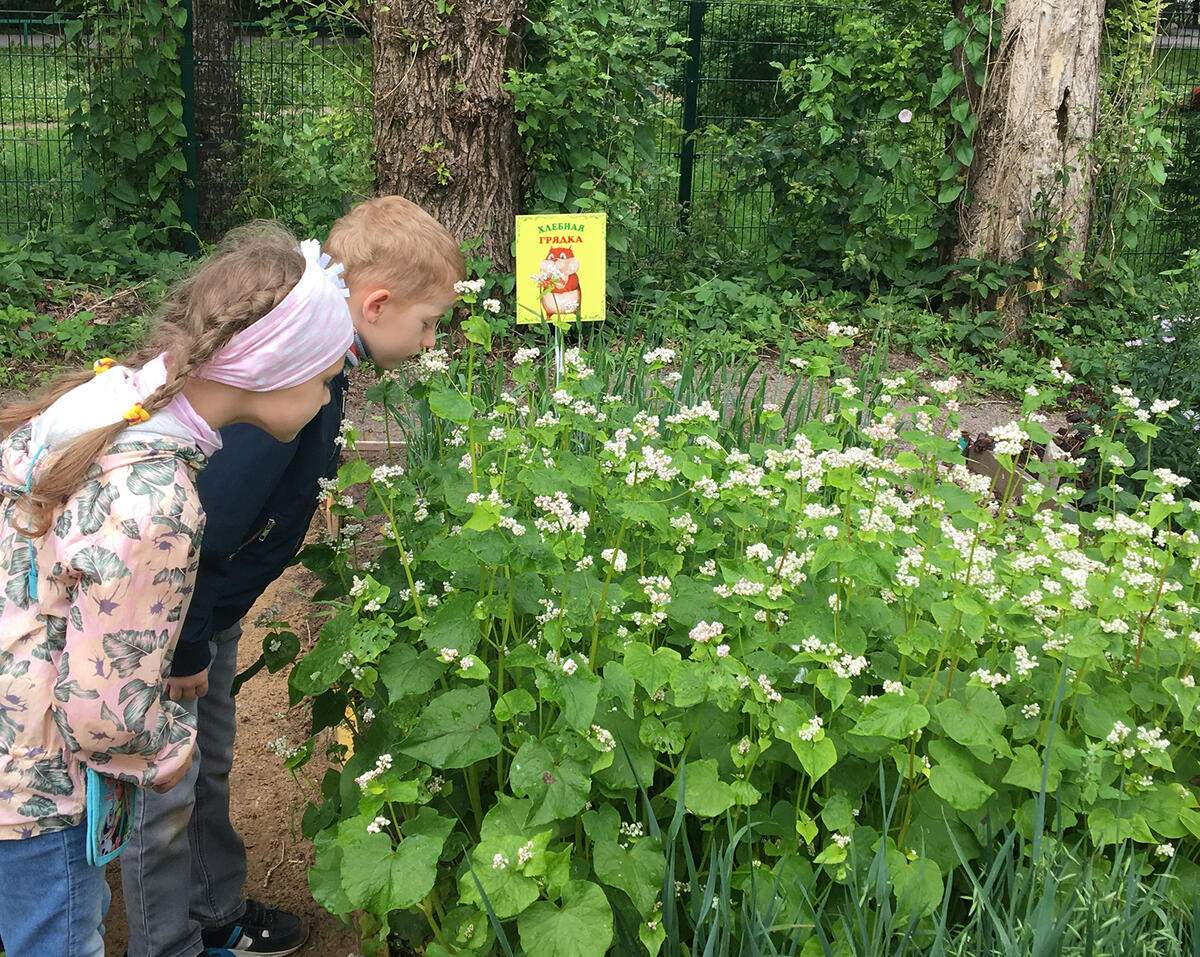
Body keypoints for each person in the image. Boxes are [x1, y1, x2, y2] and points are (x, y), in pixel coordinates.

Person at [121, 196, 465, 957]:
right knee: (168, 783)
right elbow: (198, 527)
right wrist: (186, 647)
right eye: (429, 321)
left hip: (203, 610)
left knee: (205, 765)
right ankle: (169, 941)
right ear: (376, 303)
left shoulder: (320, 361)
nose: (431, 339)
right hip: (173, 617)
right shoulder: (291, 378)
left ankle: (213, 913)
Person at [0, 222, 355, 957]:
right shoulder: (159, 501)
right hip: (36, 777)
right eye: (324, 376)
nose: (327, 398)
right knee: (58, 935)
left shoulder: (109, 400)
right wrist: (172, 750)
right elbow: (104, 715)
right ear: (275, 369)